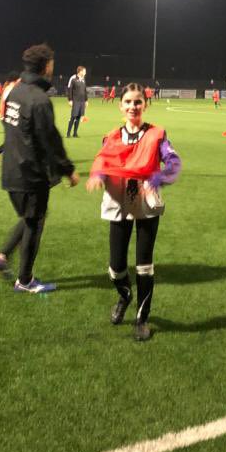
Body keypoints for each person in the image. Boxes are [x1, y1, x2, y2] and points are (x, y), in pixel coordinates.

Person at [86, 83, 182, 341]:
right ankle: (125, 295)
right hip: (118, 197)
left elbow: (173, 161)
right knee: (116, 267)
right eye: (128, 102)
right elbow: (101, 160)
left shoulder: (156, 134)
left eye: (137, 102)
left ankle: (142, 319)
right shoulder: (112, 137)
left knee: (144, 265)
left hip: (145, 199)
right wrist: (97, 174)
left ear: (145, 105)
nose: (133, 107)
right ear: (121, 106)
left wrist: (158, 177)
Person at [0, 44, 78, 293]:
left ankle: (2, 256)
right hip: (30, 174)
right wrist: (68, 169)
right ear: (46, 65)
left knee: (30, 218)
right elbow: (51, 139)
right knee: (34, 223)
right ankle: (25, 281)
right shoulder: (39, 100)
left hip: (12, 171)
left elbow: (12, 129)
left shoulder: (15, 93)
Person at [66, 65, 88, 137]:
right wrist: (70, 100)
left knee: (78, 117)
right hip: (75, 101)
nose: (85, 72)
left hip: (82, 101)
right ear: (80, 71)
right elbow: (70, 90)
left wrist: (86, 100)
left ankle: (75, 133)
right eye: (84, 71)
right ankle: (68, 133)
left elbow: (84, 91)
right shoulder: (73, 78)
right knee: (73, 116)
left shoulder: (83, 79)